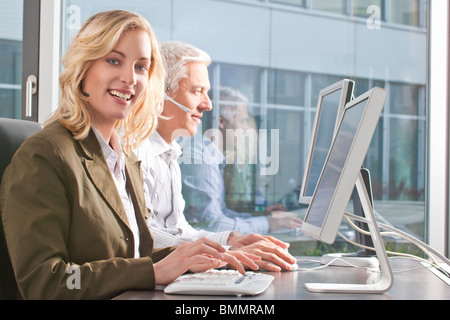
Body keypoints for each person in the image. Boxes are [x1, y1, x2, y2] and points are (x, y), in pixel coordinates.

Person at [0, 11, 258, 300]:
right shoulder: (43, 157)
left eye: (140, 67)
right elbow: (45, 282)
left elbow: (135, 252)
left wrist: (207, 257)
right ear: (83, 67)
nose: (129, 78)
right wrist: (153, 271)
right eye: (113, 60)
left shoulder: (125, 158)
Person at [135, 41, 298, 272]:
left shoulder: (170, 153)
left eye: (206, 92)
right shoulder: (136, 152)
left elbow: (179, 229)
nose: (208, 105)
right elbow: (144, 238)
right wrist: (226, 251)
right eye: (196, 91)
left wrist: (228, 239)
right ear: (161, 91)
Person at [180, 86, 303, 234]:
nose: (247, 129)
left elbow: (222, 214)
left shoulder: (211, 158)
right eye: (243, 121)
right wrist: (270, 223)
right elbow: (210, 224)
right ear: (221, 121)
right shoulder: (200, 160)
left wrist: (265, 216)